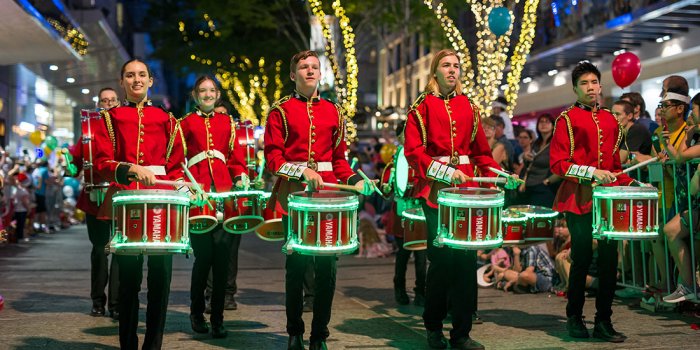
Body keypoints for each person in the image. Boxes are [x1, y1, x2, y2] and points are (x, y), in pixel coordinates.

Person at [404, 49, 518, 350]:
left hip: (467, 192)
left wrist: (500, 173)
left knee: (466, 261)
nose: (452, 70)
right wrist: (444, 172)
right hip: (436, 194)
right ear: (435, 71)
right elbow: (414, 153)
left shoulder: (470, 106)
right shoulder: (420, 106)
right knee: (441, 261)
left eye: (456, 65)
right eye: (446, 65)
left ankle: (462, 333)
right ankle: (433, 327)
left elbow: (480, 152)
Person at [264, 50, 374, 350]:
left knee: (328, 269)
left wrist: (356, 179)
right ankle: (294, 332)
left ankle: (319, 335)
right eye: (303, 67)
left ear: (320, 74)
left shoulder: (334, 111)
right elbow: (273, 159)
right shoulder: (280, 111)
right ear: (293, 75)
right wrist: (301, 171)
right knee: (296, 268)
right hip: (295, 198)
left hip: (329, 198)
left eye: (314, 67)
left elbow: (339, 161)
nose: (310, 71)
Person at [92, 58, 202, 349]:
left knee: (161, 279)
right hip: (127, 205)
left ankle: (153, 345)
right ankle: (127, 344)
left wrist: (185, 187)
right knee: (127, 282)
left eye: (142, 75)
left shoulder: (167, 119)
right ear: (122, 82)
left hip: (162, 205)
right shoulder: (108, 118)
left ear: (151, 81)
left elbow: (176, 166)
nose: (136, 80)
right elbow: (102, 162)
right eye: (130, 75)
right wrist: (128, 168)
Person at [550, 61, 636, 343]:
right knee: (582, 257)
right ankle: (574, 317)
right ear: (575, 88)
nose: (590, 87)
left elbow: (614, 166)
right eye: (584, 83)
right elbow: (558, 164)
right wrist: (589, 172)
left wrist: (632, 185)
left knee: (611, 260)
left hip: (606, 200)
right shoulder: (566, 119)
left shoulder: (611, 119)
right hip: (579, 198)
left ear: (601, 86)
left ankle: (604, 320)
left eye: (594, 82)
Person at [177, 76, 248, 338]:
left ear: (217, 94)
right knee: (203, 258)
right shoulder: (184, 123)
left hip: (225, 196)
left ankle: (217, 318)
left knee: (222, 261)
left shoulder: (228, 122)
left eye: (212, 90)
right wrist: (187, 188)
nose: (207, 95)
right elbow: (176, 162)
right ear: (195, 95)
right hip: (198, 198)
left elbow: (236, 159)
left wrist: (240, 175)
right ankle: (196, 313)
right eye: (202, 91)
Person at [68, 87, 121, 319]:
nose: (108, 103)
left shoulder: (126, 126)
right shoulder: (90, 128)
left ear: (118, 102)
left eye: (112, 100)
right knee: (100, 251)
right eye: (103, 100)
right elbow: (77, 158)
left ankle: (117, 303)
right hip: (95, 198)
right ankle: (98, 301)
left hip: (120, 196)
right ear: (99, 103)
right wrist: (70, 164)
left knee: (120, 250)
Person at [384, 120, 426, 307]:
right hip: (401, 209)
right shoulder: (398, 157)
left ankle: (421, 291)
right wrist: (386, 185)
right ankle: (399, 287)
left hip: (419, 208)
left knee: (421, 253)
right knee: (403, 253)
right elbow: (388, 185)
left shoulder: (420, 155)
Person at [517, 114, 560, 207]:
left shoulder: (556, 143)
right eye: (541, 122)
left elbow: (561, 166)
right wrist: (525, 158)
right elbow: (528, 165)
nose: (543, 124)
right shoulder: (536, 143)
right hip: (528, 186)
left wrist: (548, 181)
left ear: (553, 126)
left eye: (547, 122)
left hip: (544, 188)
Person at [612, 100, 652, 165]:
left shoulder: (637, 129)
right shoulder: (621, 133)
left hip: (644, 173)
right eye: (612, 114)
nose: (613, 117)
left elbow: (620, 159)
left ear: (629, 116)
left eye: (617, 114)